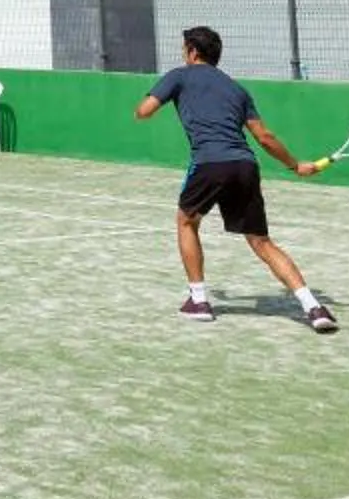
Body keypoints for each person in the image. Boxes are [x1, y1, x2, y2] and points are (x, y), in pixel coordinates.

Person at [135, 25, 337, 333]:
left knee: (186, 222)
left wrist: (151, 103)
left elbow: (144, 111)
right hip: (245, 165)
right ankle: (314, 307)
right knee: (261, 242)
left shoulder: (178, 75)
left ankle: (199, 301)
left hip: (208, 163)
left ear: (192, 52)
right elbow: (264, 137)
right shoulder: (236, 88)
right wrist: (295, 166)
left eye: (183, 49)